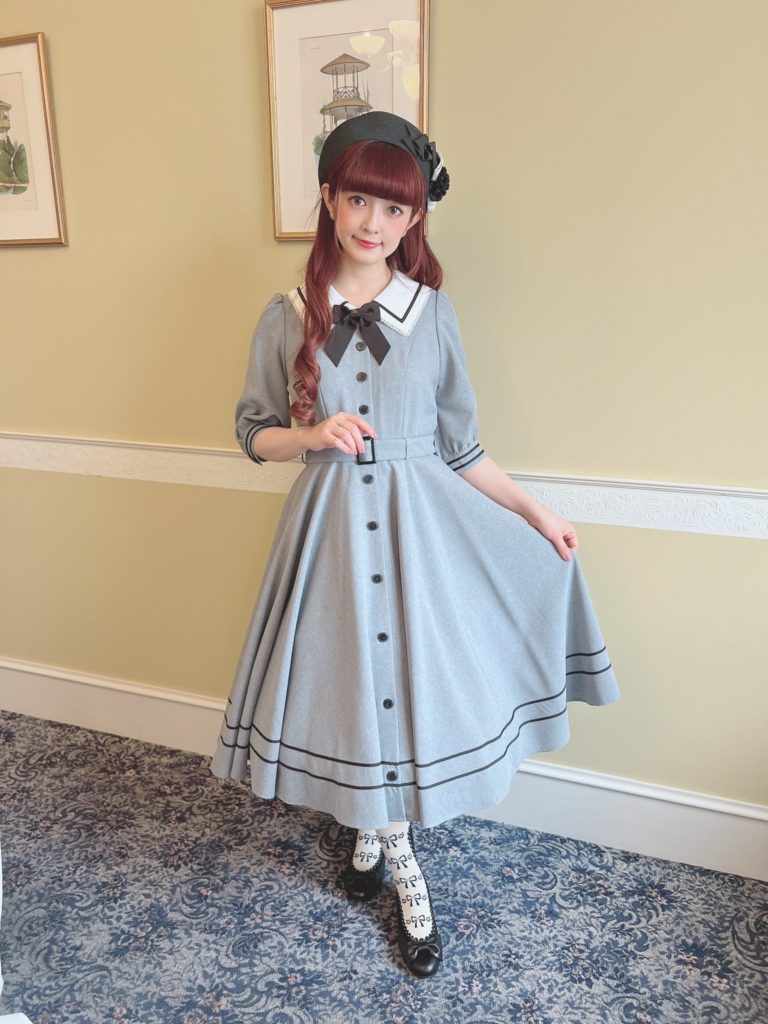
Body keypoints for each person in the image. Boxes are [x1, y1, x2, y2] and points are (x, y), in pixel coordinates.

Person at [210, 111, 620, 978]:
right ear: (329, 199)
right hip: (327, 538)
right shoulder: (289, 315)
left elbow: (462, 448)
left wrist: (536, 514)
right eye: (359, 200)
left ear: (414, 219)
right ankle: (396, 859)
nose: (374, 223)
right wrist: (312, 436)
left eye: (395, 209)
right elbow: (253, 432)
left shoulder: (432, 315)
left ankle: (376, 843)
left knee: (410, 687)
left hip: (420, 536)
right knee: (352, 688)